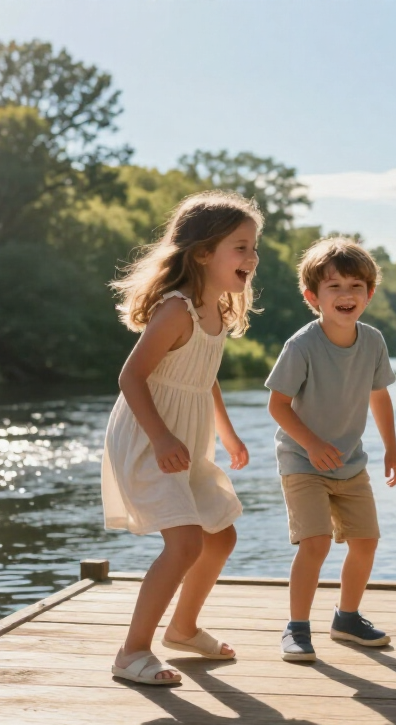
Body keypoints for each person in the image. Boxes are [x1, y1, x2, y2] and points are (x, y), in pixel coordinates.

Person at [102, 190, 261, 685]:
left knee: (222, 534)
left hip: (187, 437)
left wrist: (228, 433)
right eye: (241, 247)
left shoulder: (219, 310)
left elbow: (202, 374)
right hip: (149, 434)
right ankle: (131, 653)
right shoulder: (175, 310)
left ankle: (184, 627)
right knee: (185, 543)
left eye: (254, 247)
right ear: (202, 254)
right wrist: (164, 438)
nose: (252, 258)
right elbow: (131, 378)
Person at [266, 237, 396, 663]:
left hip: (350, 462)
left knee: (366, 542)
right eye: (334, 287)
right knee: (316, 542)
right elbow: (277, 405)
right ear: (313, 297)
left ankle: (346, 618)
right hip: (302, 460)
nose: (346, 295)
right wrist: (312, 443)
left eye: (356, 286)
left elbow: (380, 397)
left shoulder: (373, 341)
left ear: (370, 294)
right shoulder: (302, 345)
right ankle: (297, 628)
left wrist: (391, 451)